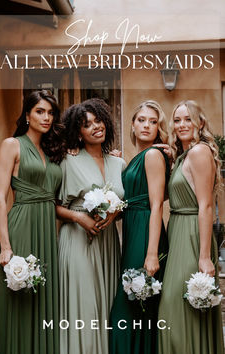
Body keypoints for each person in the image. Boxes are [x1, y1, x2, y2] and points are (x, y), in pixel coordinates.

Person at [0, 90, 63, 354]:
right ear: (28, 115)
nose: (46, 117)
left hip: (46, 232)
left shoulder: (52, 151)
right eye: (40, 111)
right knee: (18, 300)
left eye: (51, 113)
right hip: (20, 228)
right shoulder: (12, 144)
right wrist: (6, 246)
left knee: (41, 300)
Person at [56, 98, 126, 354]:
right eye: (87, 125)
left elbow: (125, 202)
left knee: (106, 306)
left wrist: (116, 211)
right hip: (77, 241)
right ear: (78, 132)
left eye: (98, 120)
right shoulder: (68, 160)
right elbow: (51, 205)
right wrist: (79, 218)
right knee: (84, 309)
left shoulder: (119, 163)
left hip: (107, 244)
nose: (96, 127)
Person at [158, 100, 224, 354]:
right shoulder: (184, 155)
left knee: (176, 306)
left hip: (193, 235)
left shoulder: (199, 152)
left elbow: (206, 206)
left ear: (200, 123)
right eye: (177, 120)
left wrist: (205, 257)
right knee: (179, 307)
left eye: (188, 119)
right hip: (177, 231)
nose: (182, 124)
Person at [109, 100, 170, 354]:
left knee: (130, 307)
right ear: (132, 125)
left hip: (147, 232)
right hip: (134, 229)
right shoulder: (136, 158)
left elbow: (157, 205)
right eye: (141, 120)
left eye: (153, 122)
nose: (146, 125)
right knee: (136, 306)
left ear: (158, 128)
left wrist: (152, 252)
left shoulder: (153, 155)